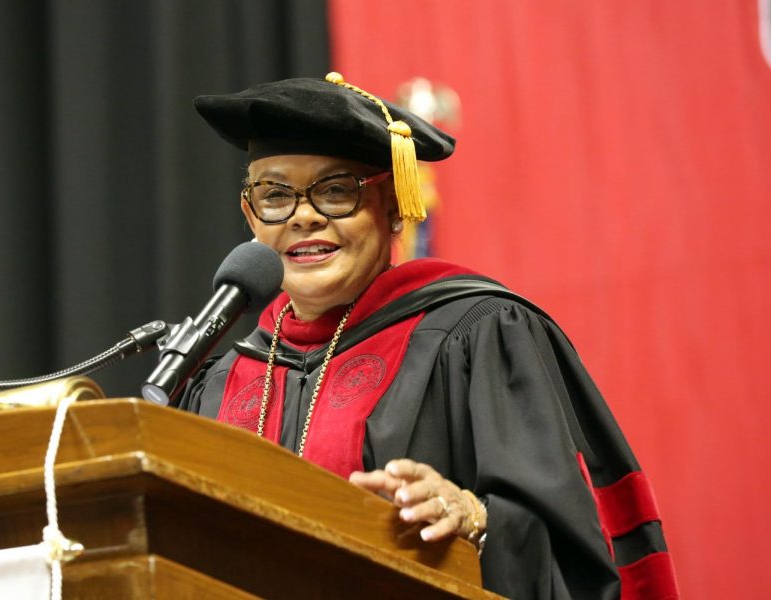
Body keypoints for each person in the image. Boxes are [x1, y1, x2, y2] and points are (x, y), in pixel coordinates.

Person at [179, 73, 679, 599]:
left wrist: (476, 523)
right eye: (275, 195)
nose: (304, 217)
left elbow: (575, 551)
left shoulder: (477, 334)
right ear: (249, 215)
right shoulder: (218, 379)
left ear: (393, 205)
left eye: (335, 191)